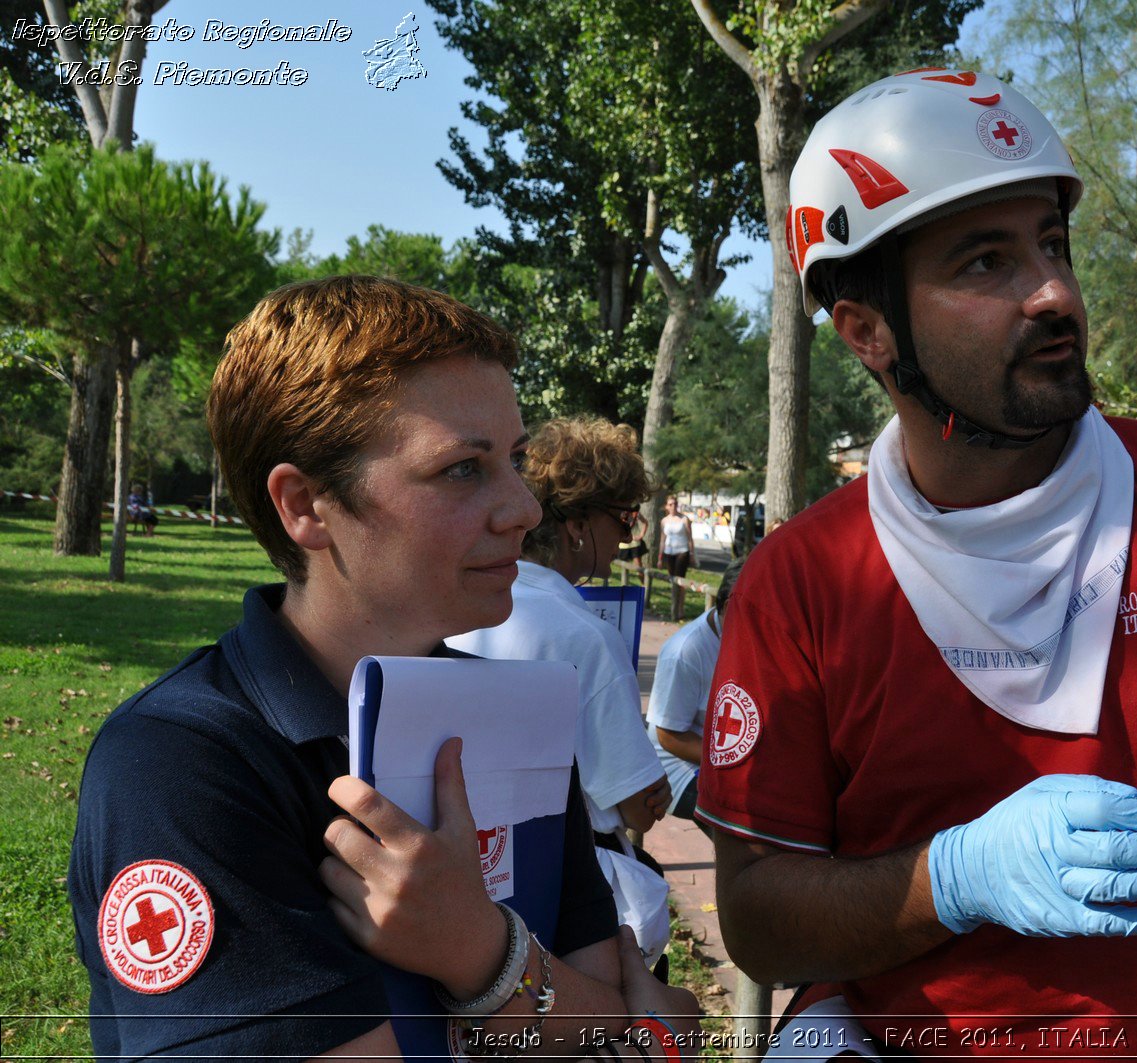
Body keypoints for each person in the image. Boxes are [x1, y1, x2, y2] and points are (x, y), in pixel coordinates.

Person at [697, 68, 1137, 1059]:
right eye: (985, 261)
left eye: (1050, 244)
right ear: (864, 330)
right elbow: (760, 921)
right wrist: (950, 879)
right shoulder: (799, 585)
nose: (1053, 292)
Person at [66, 277, 696, 1058]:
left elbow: (611, 1030)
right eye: (464, 469)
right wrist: (558, 1000)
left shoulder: (514, 715)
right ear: (305, 505)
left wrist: (486, 958)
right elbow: (614, 1031)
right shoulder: (179, 765)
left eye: (515, 459)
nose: (526, 510)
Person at [448, 417, 672, 844]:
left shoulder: (461, 611)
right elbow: (638, 810)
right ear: (577, 527)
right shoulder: (588, 639)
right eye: (625, 519)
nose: (626, 538)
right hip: (578, 867)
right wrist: (650, 788)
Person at [647, 556, 743, 830]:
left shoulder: (750, 636)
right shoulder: (686, 652)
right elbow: (668, 736)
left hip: (724, 757)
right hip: (676, 769)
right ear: (728, 607)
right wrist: (738, 761)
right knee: (744, 823)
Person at [657, 494, 695, 621]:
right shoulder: (664, 521)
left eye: (675, 504)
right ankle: (673, 608)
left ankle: (679, 610)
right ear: (666, 506)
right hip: (669, 552)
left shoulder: (684, 519)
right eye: (670, 504)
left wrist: (691, 554)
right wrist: (660, 557)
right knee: (673, 581)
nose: (673, 506)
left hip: (682, 551)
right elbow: (662, 539)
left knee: (680, 581)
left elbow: (690, 538)